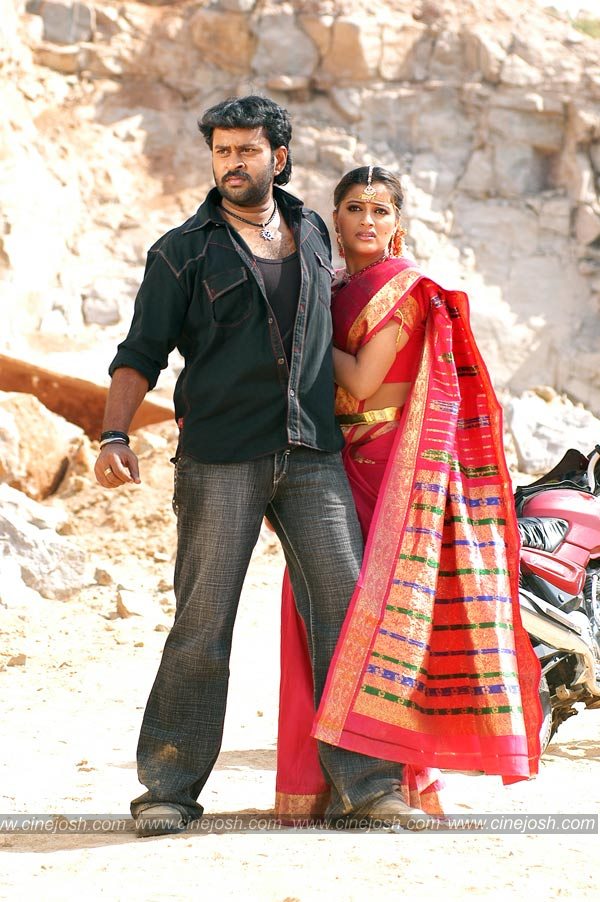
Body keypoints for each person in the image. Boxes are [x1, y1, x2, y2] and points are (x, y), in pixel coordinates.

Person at [94, 97, 441, 837]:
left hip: (313, 454)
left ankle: (368, 789)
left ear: (278, 158)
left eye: (246, 150)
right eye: (222, 151)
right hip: (221, 456)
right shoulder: (181, 252)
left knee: (345, 615)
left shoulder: (312, 230)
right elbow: (139, 352)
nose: (233, 163)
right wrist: (113, 434)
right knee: (203, 622)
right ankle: (167, 789)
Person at [275, 165, 543, 822]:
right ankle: (323, 789)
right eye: (354, 208)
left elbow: (363, 382)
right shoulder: (333, 287)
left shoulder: (405, 288)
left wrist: (299, 333)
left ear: (398, 223)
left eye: (381, 210)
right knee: (309, 610)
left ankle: (394, 781)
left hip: (391, 467)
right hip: (334, 462)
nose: (367, 220)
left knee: (381, 619)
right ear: (334, 220)